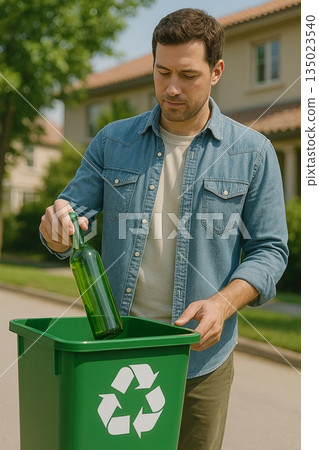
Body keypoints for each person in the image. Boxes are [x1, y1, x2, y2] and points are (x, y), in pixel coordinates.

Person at [39, 8, 288, 450]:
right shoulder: (112, 141)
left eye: (187, 75)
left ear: (216, 72)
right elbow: (70, 213)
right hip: (115, 350)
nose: (171, 88)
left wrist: (222, 304)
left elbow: (270, 250)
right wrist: (57, 227)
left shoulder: (253, 151)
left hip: (200, 361)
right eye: (162, 71)